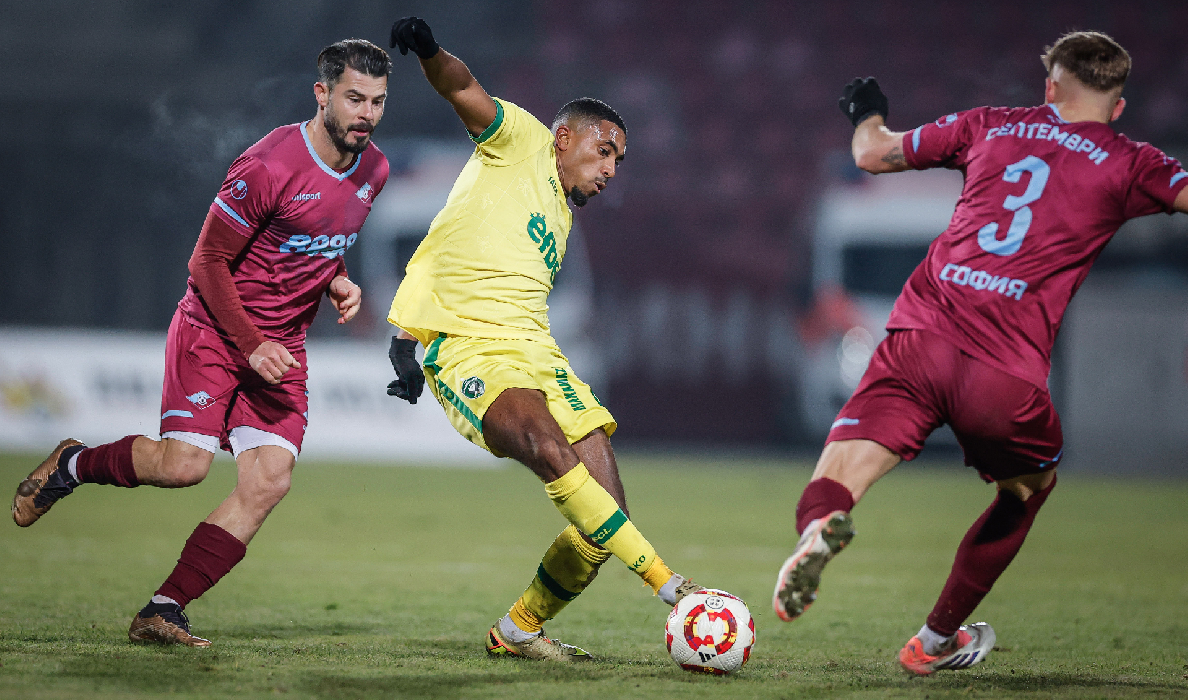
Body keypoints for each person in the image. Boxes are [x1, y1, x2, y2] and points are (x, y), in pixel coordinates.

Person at [772, 31, 1188, 675]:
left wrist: (867, 111)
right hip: (1006, 372)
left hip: (921, 339)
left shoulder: (989, 124)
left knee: (845, 464)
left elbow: (872, 154)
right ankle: (935, 639)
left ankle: (819, 529)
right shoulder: (1131, 162)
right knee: (1027, 490)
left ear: (1050, 87)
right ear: (1118, 106)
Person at [11, 39, 393, 647]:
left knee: (268, 482)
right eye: (354, 99)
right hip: (216, 332)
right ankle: (72, 464)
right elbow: (207, 261)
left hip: (282, 348)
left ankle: (163, 609)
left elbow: (315, 241)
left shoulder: (375, 170)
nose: (367, 114)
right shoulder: (268, 165)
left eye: (377, 101)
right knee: (183, 466)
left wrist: (337, 281)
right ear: (322, 94)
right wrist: (250, 343)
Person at [383, 17, 703, 661]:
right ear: (564, 137)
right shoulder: (521, 140)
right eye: (604, 151)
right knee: (547, 447)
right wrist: (430, 51)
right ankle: (673, 587)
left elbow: (463, 246)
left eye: (618, 161)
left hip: (539, 354)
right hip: (473, 349)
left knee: (604, 517)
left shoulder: (559, 215)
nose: (611, 170)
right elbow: (463, 89)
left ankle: (518, 631)